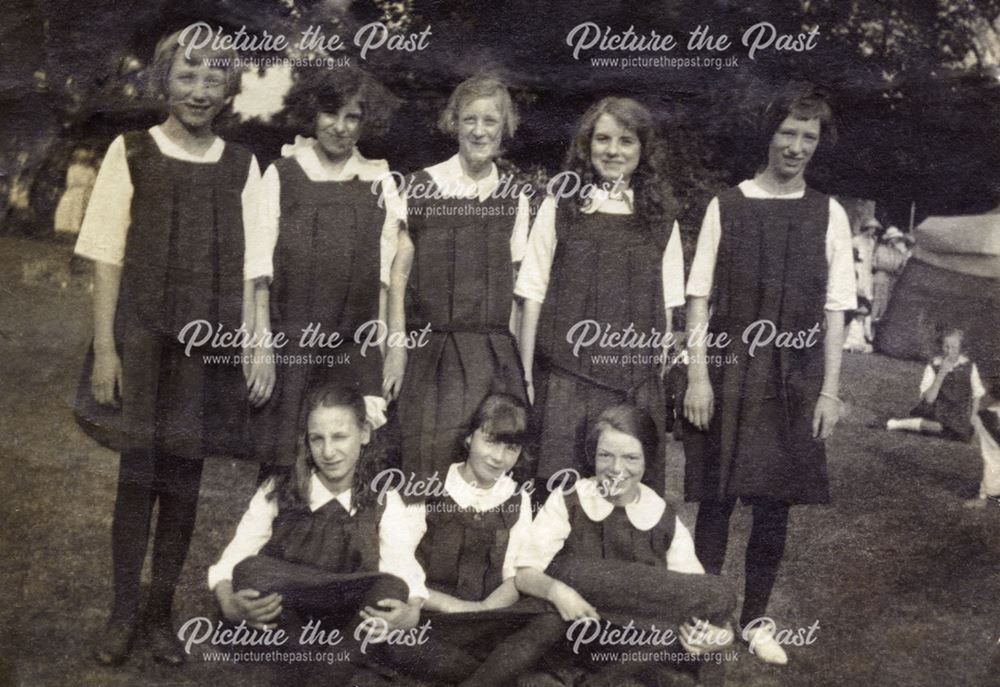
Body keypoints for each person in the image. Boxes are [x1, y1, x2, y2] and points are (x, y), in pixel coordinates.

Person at [73, 28, 267, 666]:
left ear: (230, 88)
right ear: (164, 81)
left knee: (185, 479)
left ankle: (161, 612)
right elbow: (105, 256)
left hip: (206, 353)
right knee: (138, 476)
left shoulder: (243, 165)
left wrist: (250, 345)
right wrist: (107, 348)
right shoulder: (131, 152)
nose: (200, 91)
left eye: (215, 78)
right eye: (187, 76)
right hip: (143, 341)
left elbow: (252, 270)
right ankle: (122, 611)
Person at [682, 83, 856, 665]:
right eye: (788, 133)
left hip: (794, 379)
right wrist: (698, 376)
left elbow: (836, 309)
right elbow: (698, 298)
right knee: (716, 499)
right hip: (728, 373)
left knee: (774, 503)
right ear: (769, 135)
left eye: (809, 137)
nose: (797, 146)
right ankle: (708, 617)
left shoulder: (829, 213)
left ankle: (756, 619)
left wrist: (829, 390)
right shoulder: (725, 205)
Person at [516, 97, 685, 496]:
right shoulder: (560, 206)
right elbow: (532, 292)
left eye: (626, 141)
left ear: (642, 150)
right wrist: (526, 376)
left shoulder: (660, 218)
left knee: (623, 499)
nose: (613, 150)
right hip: (565, 382)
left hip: (633, 384)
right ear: (586, 145)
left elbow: (667, 308)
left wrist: (651, 383)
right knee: (557, 499)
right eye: (603, 139)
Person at [249, 68, 404, 475]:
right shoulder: (283, 174)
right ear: (312, 113)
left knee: (349, 470)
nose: (340, 127)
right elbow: (259, 273)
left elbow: (386, 282)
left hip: (354, 350)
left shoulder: (380, 181)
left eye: (352, 117)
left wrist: (388, 351)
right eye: (330, 114)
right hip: (293, 348)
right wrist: (261, 347)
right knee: (285, 469)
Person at [515, 405, 735, 683]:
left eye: (631, 458)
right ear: (592, 456)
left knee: (686, 655)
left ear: (647, 461)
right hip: (573, 630)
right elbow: (524, 574)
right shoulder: (570, 500)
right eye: (605, 456)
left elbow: (697, 593)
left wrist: (721, 635)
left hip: (635, 643)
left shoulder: (661, 515)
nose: (617, 470)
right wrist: (559, 592)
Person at [209, 384, 427, 664]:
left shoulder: (383, 497)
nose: (328, 451)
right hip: (289, 613)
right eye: (317, 439)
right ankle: (328, 662)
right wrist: (229, 604)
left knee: (390, 588)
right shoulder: (279, 488)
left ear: (364, 434)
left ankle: (321, 664)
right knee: (250, 570)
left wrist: (412, 612)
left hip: (347, 613)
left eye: (339, 437)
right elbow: (236, 556)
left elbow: (402, 567)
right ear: (307, 442)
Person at [391, 75, 531, 488]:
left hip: (493, 357)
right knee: (426, 466)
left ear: (504, 127)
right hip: (431, 354)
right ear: (453, 122)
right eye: (469, 119)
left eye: (490, 120)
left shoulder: (515, 197)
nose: (479, 130)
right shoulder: (419, 187)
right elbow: (397, 279)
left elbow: (518, 293)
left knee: (488, 471)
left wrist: (520, 373)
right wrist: (396, 350)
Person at [379, 393, 565, 686]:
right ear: (469, 438)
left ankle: (484, 675)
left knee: (550, 621)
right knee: (396, 641)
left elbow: (514, 575)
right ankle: (500, 677)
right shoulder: (429, 485)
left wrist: (483, 611)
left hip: (488, 619)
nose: (498, 457)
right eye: (490, 441)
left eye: (511, 447)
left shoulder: (519, 497)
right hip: (433, 616)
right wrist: (452, 606)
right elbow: (400, 558)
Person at [887, 328, 985, 442]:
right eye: (946, 347)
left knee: (964, 433)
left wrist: (973, 416)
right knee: (944, 427)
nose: (949, 351)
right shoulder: (934, 365)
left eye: (954, 347)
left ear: (960, 348)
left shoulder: (968, 366)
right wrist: (942, 372)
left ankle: (924, 425)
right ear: (941, 347)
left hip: (959, 410)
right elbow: (929, 399)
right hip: (938, 407)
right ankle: (901, 424)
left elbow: (977, 393)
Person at [54, 147, 96, 239]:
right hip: (73, 192)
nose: (83, 160)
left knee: (79, 211)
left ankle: (75, 232)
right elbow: (70, 182)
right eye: (81, 158)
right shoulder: (72, 168)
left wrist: (88, 188)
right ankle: (64, 231)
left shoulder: (90, 170)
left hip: (85, 192)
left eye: (85, 158)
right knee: (67, 209)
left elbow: (93, 182)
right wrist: (81, 183)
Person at [871, 225, 910, 322]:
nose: (897, 241)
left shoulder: (897, 252)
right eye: (895, 239)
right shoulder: (881, 249)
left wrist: (902, 259)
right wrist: (890, 266)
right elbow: (877, 263)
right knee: (877, 300)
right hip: (880, 276)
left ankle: (881, 321)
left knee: (887, 301)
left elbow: (899, 266)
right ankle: (871, 319)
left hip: (891, 279)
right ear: (890, 239)